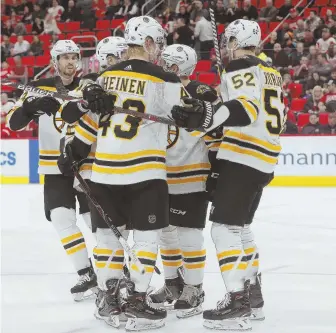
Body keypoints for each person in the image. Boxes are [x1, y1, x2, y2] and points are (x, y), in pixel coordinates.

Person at [57, 16, 182, 331]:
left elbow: (82, 120)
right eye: (159, 44)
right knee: (145, 240)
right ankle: (138, 302)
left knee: (107, 242)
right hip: (145, 173)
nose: (159, 51)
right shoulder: (165, 78)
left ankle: (108, 300)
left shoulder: (104, 77)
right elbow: (185, 121)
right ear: (150, 43)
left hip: (105, 174)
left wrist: (74, 150)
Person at [171, 19, 285, 330]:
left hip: (243, 156)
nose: (225, 47)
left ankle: (239, 303)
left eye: (228, 40)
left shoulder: (240, 65)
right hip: (264, 158)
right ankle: (253, 297)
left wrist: (205, 115)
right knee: (240, 230)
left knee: (222, 231)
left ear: (235, 40)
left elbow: (246, 110)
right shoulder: (270, 70)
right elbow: (252, 110)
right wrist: (211, 113)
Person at [6, 40, 97, 302]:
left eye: (74, 56)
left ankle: (114, 270)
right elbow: (13, 123)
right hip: (53, 167)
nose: (70, 61)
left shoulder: (88, 87)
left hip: (87, 167)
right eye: (64, 57)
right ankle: (85, 272)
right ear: (54, 61)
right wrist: (29, 107)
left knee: (96, 223)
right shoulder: (38, 88)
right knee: (61, 219)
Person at [149, 44, 221, 318]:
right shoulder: (156, 92)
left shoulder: (202, 93)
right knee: (166, 233)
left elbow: (216, 135)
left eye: (167, 63)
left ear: (179, 67)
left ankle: (195, 288)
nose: (161, 66)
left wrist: (215, 172)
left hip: (192, 174)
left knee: (189, 235)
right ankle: (172, 285)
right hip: (160, 174)